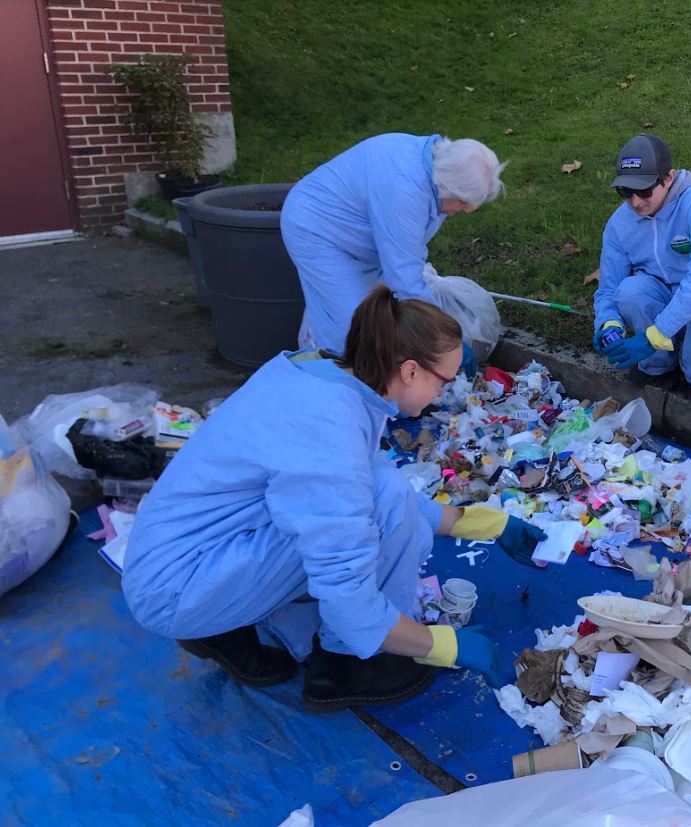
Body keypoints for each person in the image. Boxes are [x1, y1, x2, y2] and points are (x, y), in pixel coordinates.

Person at [121, 286, 546, 711]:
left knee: (383, 498)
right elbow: (346, 587)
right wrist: (437, 643)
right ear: (411, 371)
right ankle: (345, 668)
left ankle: (226, 623)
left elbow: (362, 485)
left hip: (182, 553)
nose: (444, 394)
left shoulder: (324, 374)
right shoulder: (329, 433)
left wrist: (484, 524)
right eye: (446, 381)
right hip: (174, 588)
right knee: (386, 516)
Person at [280, 133, 507, 376]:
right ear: (449, 184)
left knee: (361, 310)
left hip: (358, 236)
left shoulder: (436, 170)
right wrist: (448, 341)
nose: (466, 211)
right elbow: (406, 280)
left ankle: (326, 358)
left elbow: (405, 259)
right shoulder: (406, 190)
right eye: (463, 203)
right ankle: (333, 390)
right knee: (353, 329)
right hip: (318, 231)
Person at [591, 134, 691, 405]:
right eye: (625, 191)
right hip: (663, 298)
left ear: (668, 178)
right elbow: (608, 288)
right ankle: (656, 363)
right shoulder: (619, 223)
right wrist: (608, 323)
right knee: (629, 291)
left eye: (643, 190)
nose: (635, 202)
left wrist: (654, 335)